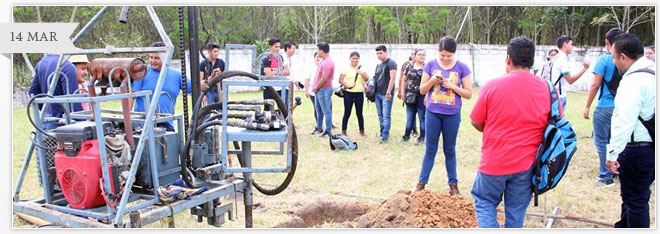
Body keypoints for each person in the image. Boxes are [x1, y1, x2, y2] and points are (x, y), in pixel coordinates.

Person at [469, 36, 557, 228]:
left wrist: (492, 130)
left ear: (508, 59)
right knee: (516, 215)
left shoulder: (492, 86)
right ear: (533, 62)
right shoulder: (547, 89)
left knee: (484, 203)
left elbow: (476, 121)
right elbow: (552, 127)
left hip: (494, 162)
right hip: (527, 166)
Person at [606, 33, 655, 228]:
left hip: (637, 149)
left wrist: (612, 153)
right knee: (637, 196)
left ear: (623, 57)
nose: (614, 63)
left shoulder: (632, 81)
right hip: (652, 146)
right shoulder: (653, 71)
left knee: (635, 202)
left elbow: (623, 120)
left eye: (614, 57)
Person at [415, 36, 472, 196]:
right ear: (438, 52)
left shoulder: (463, 68)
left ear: (454, 53)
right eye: (443, 55)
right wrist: (433, 81)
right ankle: (421, 184)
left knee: (450, 150)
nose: (446, 59)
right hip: (433, 113)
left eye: (449, 56)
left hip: (452, 115)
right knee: (430, 150)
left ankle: (453, 185)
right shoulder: (430, 65)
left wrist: (453, 86)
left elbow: (468, 94)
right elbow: (422, 90)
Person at [582, 28, 624, 188]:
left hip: (605, 107)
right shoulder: (626, 60)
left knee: (601, 141)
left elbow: (595, 84)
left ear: (607, 42)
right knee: (618, 140)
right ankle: (618, 171)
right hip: (621, 107)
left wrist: (587, 106)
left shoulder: (604, 60)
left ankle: (605, 176)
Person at [131, 41, 190, 131]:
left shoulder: (177, 75)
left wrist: (209, 80)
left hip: (166, 124)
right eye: (151, 57)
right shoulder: (142, 72)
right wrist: (128, 119)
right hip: (142, 125)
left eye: (156, 58)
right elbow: (131, 96)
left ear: (166, 57)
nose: (153, 61)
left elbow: (194, 87)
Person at [29, 53, 82, 130]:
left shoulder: (41, 63)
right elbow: (73, 103)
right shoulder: (68, 67)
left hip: (45, 123)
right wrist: (83, 123)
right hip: (62, 126)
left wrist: (47, 111)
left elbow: (33, 93)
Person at [551, 35, 591, 109]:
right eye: (571, 44)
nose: (572, 47)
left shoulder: (555, 58)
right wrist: (584, 69)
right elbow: (570, 80)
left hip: (553, 94)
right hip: (560, 96)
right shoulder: (562, 60)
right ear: (565, 45)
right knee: (559, 119)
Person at [338, 51, 369, 137]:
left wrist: (363, 73)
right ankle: (344, 131)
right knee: (347, 113)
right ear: (350, 58)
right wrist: (348, 85)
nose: (355, 60)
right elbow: (340, 80)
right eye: (353, 58)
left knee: (359, 113)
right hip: (348, 93)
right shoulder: (345, 68)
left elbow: (367, 79)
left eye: (356, 58)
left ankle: (361, 131)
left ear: (359, 59)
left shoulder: (361, 69)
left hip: (359, 93)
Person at [399, 49, 426, 144]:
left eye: (423, 55)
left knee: (422, 118)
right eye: (419, 54)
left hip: (422, 96)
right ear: (415, 56)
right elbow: (404, 80)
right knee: (410, 117)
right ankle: (406, 137)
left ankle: (422, 138)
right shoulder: (409, 67)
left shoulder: (427, 68)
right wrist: (402, 92)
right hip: (410, 95)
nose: (421, 56)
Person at [373, 45, 398, 143]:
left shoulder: (391, 63)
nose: (379, 55)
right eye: (377, 53)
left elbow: (393, 78)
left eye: (380, 53)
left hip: (386, 94)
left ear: (385, 52)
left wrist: (389, 91)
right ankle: (382, 131)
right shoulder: (379, 65)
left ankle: (385, 136)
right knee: (380, 115)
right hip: (377, 93)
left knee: (386, 115)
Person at [311, 42, 335, 138]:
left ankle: (328, 131)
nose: (317, 52)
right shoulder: (323, 61)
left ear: (321, 51)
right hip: (319, 90)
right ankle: (319, 127)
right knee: (318, 110)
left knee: (326, 111)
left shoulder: (328, 62)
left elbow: (324, 78)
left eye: (318, 50)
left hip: (324, 90)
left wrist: (316, 87)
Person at [261, 37, 290, 111]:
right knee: (268, 110)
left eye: (279, 47)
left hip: (281, 87)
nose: (278, 49)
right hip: (269, 88)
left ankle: (283, 122)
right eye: (276, 47)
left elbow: (287, 72)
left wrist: (275, 73)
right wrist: (280, 73)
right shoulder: (266, 58)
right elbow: (268, 73)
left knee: (284, 109)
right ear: (270, 47)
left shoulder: (281, 58)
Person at [398, 50, 419, 137]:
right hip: (409, 92)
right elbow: (402, 78)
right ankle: (411, 130)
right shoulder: (406, 65)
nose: (413, 56)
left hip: (420, 92)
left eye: (415, 54)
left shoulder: (424, 66)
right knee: (411, 113)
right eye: (412, 54)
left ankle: (415, 131)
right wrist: (400, 90)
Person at [306, 52, 322, 134]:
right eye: (316, 57)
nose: (318, 58)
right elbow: (307, 80)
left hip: (322, 91)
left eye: (319, 57)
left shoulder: (323, 67)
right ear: (314, 58)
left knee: (325, 109)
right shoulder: (311, 68)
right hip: (313, 92)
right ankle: (319, 125)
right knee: (317, 109)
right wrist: (306, 91)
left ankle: (324, 125)